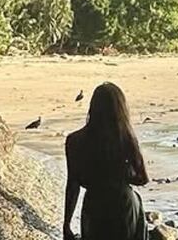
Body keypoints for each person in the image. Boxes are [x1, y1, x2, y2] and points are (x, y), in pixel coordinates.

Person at [63, 83, 149, 240]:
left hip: (94, 204)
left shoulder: (74, 140)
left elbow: (73, 185)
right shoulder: (126, 138)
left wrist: (66, 223)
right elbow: (143, 179)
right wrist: (121, 175)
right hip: (123, 203)